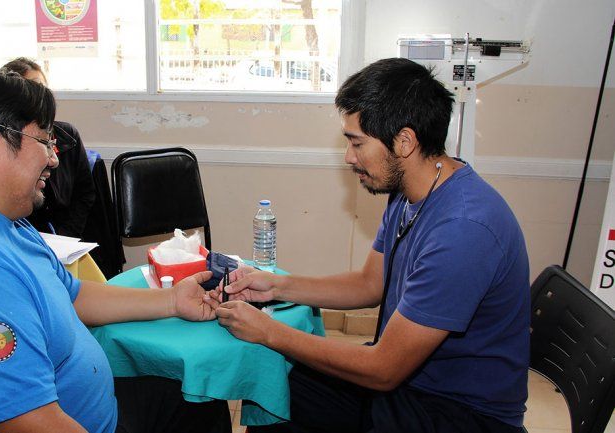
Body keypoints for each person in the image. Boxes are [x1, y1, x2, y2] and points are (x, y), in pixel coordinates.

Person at [0, 70, 229, 433]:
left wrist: (172, 301)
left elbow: (70, 293)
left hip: (88, 410)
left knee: (199, 398)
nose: (54, 158)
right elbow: (27, 422)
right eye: (44, 140)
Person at [213, 58, 530, 433]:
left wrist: (269, 332)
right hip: (413, 387)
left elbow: (383, 370)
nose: (349, 156)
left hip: (458, 413)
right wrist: (277, 285)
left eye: (357, 143)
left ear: (405, 141)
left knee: (281, 380)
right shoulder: (411, 192)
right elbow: (369, 284)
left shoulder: (463, 230)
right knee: (275, 389)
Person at [0, 57, 95, 239]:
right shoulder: (7, 144)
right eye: (34, 87)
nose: (53, 160)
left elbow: (84, 194)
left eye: (44, 87)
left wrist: (66, 237)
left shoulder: (67, 135)